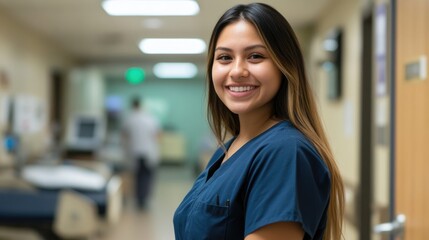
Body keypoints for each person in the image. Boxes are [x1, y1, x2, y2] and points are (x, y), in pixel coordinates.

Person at [173, 3, 344, 240]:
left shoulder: (285, 152)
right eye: (224, 57)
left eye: (255, 56)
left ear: (284, 66)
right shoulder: (229, 149)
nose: (237, 71)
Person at [122, 96, 161, 210]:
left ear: (132, 105)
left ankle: (139, 199)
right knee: (147, 176)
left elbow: (124, 135)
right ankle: (144, 199)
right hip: (149, 152)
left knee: (138, 177)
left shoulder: (129, 118)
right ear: (141, 105)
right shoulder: (150, 118)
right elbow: (158, 135)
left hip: (135, 152)